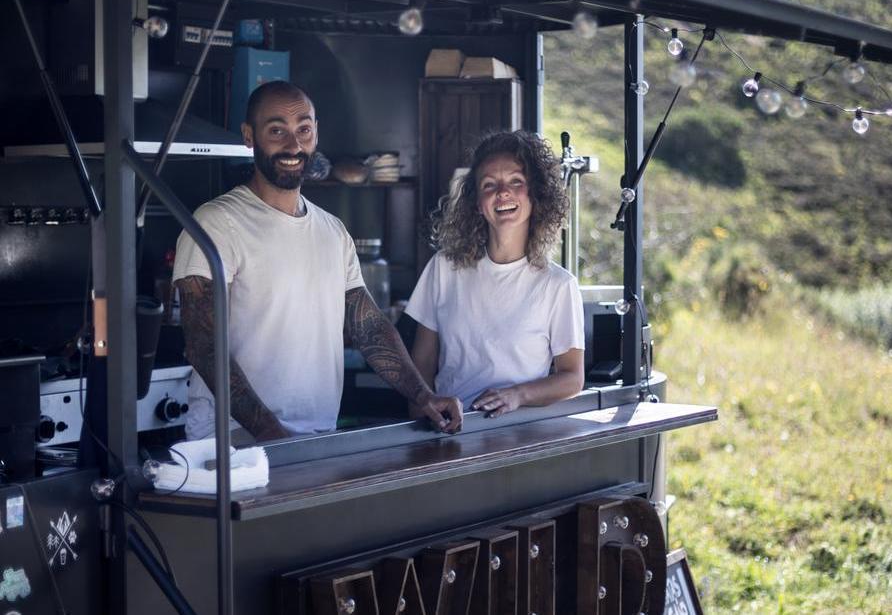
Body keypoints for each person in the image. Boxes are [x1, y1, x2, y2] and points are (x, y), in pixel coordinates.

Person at [172, 81, 462, 441]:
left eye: (303, 130)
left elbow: (369, 327)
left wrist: (424, 396)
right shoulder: (216, 224)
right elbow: (204, 346)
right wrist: (270, 432)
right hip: (231, 442)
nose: (293, 145)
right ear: (249, 136)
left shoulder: (332, 231)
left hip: (313, 435)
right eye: (276, 130)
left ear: (315, 134)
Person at [405, 130, 584, 417]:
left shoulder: (558, 285)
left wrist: (517, 395)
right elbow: (422, 362)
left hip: (516, 435)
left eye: (516, 181)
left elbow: (572, 378)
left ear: (536, 195)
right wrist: (422, 424)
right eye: (490, 185)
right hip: (451, 432)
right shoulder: (443, 268)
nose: (503, 192)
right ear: (477, 203)